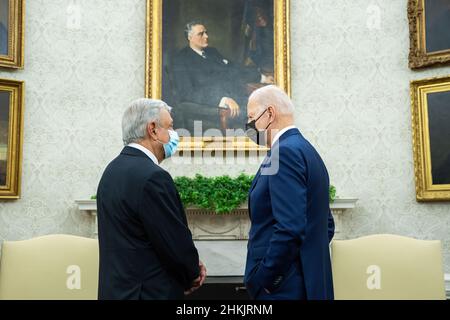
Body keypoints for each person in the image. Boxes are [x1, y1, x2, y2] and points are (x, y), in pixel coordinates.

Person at [96, 98, 206, 300]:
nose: (174, 134)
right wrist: (192, 271)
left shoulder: (112, 171)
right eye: (170, 127)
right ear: (153, 129)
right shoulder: (153, 176)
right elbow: (172, 241)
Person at [243, 85, 335, 300]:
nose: (248, 125)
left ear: (270, 114)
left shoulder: (283, 153)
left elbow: (290, 227)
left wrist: (266, 279)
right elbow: (326, 225)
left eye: (251, 117)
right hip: (306, 283)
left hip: (284, 290)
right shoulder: (305, 149)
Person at [170, 21, 273, 133]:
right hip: (213, 106)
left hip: (236, 97)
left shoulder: (212, 52)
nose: (206, 36)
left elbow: (234, 69)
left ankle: (263, 144)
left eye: (206, 32)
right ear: (190, 37)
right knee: (255, 119)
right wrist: (222, 99)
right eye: (201, 34)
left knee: (265, 108)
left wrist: (262, 78)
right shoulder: (181, 60)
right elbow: (187, 93)